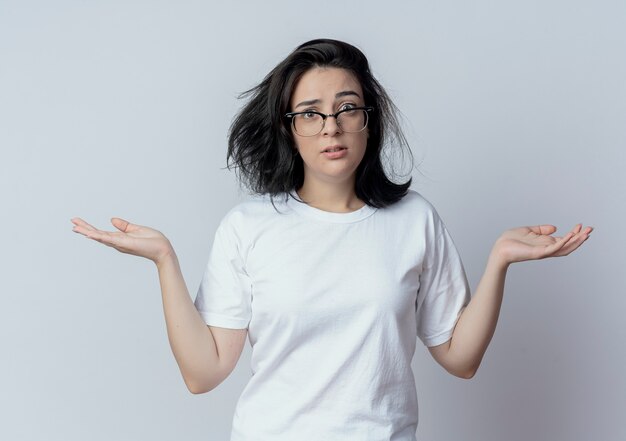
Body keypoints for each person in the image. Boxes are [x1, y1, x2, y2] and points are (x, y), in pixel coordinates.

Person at [70, 38, 592, 440]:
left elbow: (460, 359)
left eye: (347, 108)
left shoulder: (414, 220)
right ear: (289, 128)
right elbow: (203, 373)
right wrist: (164, 260)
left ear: (370, 120)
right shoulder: (249, 227)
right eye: (311, 113)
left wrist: (500, 260)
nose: (331, 127)